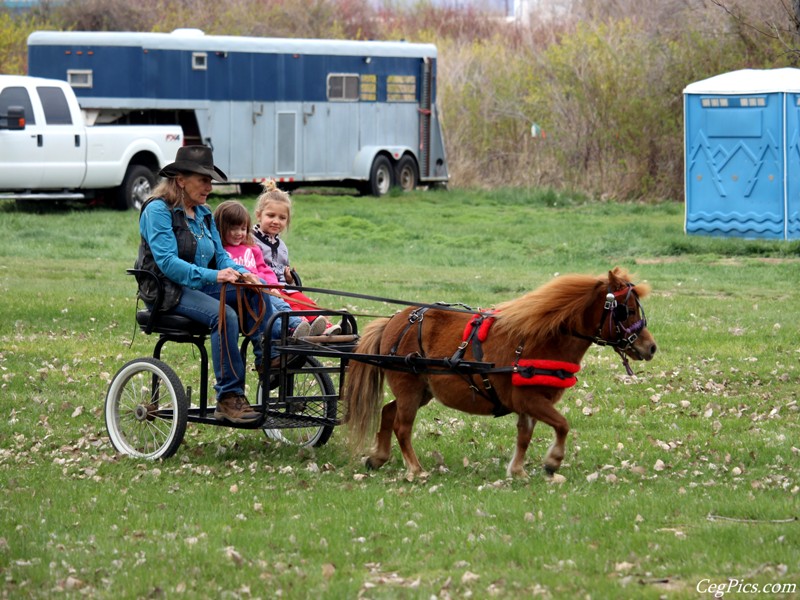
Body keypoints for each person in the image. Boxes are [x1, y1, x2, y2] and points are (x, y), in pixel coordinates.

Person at [135, 145, 271, 425]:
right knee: (224, 314)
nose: (209, 186)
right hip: (167, 291)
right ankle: (228, 397)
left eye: (210, 180)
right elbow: (168, 264)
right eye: (204, 179)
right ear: (181, 180)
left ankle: (269, 362)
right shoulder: (158, 211)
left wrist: (243, 273)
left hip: (197, 287)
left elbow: (221, 256)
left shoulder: (204, 213)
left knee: (254, 292)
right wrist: (215, 277)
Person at [212, 199, 327, 339]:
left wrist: (272, 285)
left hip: (265, 286)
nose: (239, 233)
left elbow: (263, 268)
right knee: (272, 304)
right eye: (233, 229)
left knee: (286, 302)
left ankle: (311, 324)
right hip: (245, 293)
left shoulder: (251, 247)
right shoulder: (222, 252)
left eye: (243, 229)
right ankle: (295, 326)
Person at [252, 180, 348, 335]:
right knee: (293, 305)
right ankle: (304, 326)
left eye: (282, 218)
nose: (276, 221)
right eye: (271, 216)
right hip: (268, 292)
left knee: (304, 301)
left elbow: (284, 272)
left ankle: (327, 327)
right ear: (258, 215)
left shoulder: (281, 246)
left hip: (285, 288)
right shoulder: (251, 241)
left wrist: (289, 279)